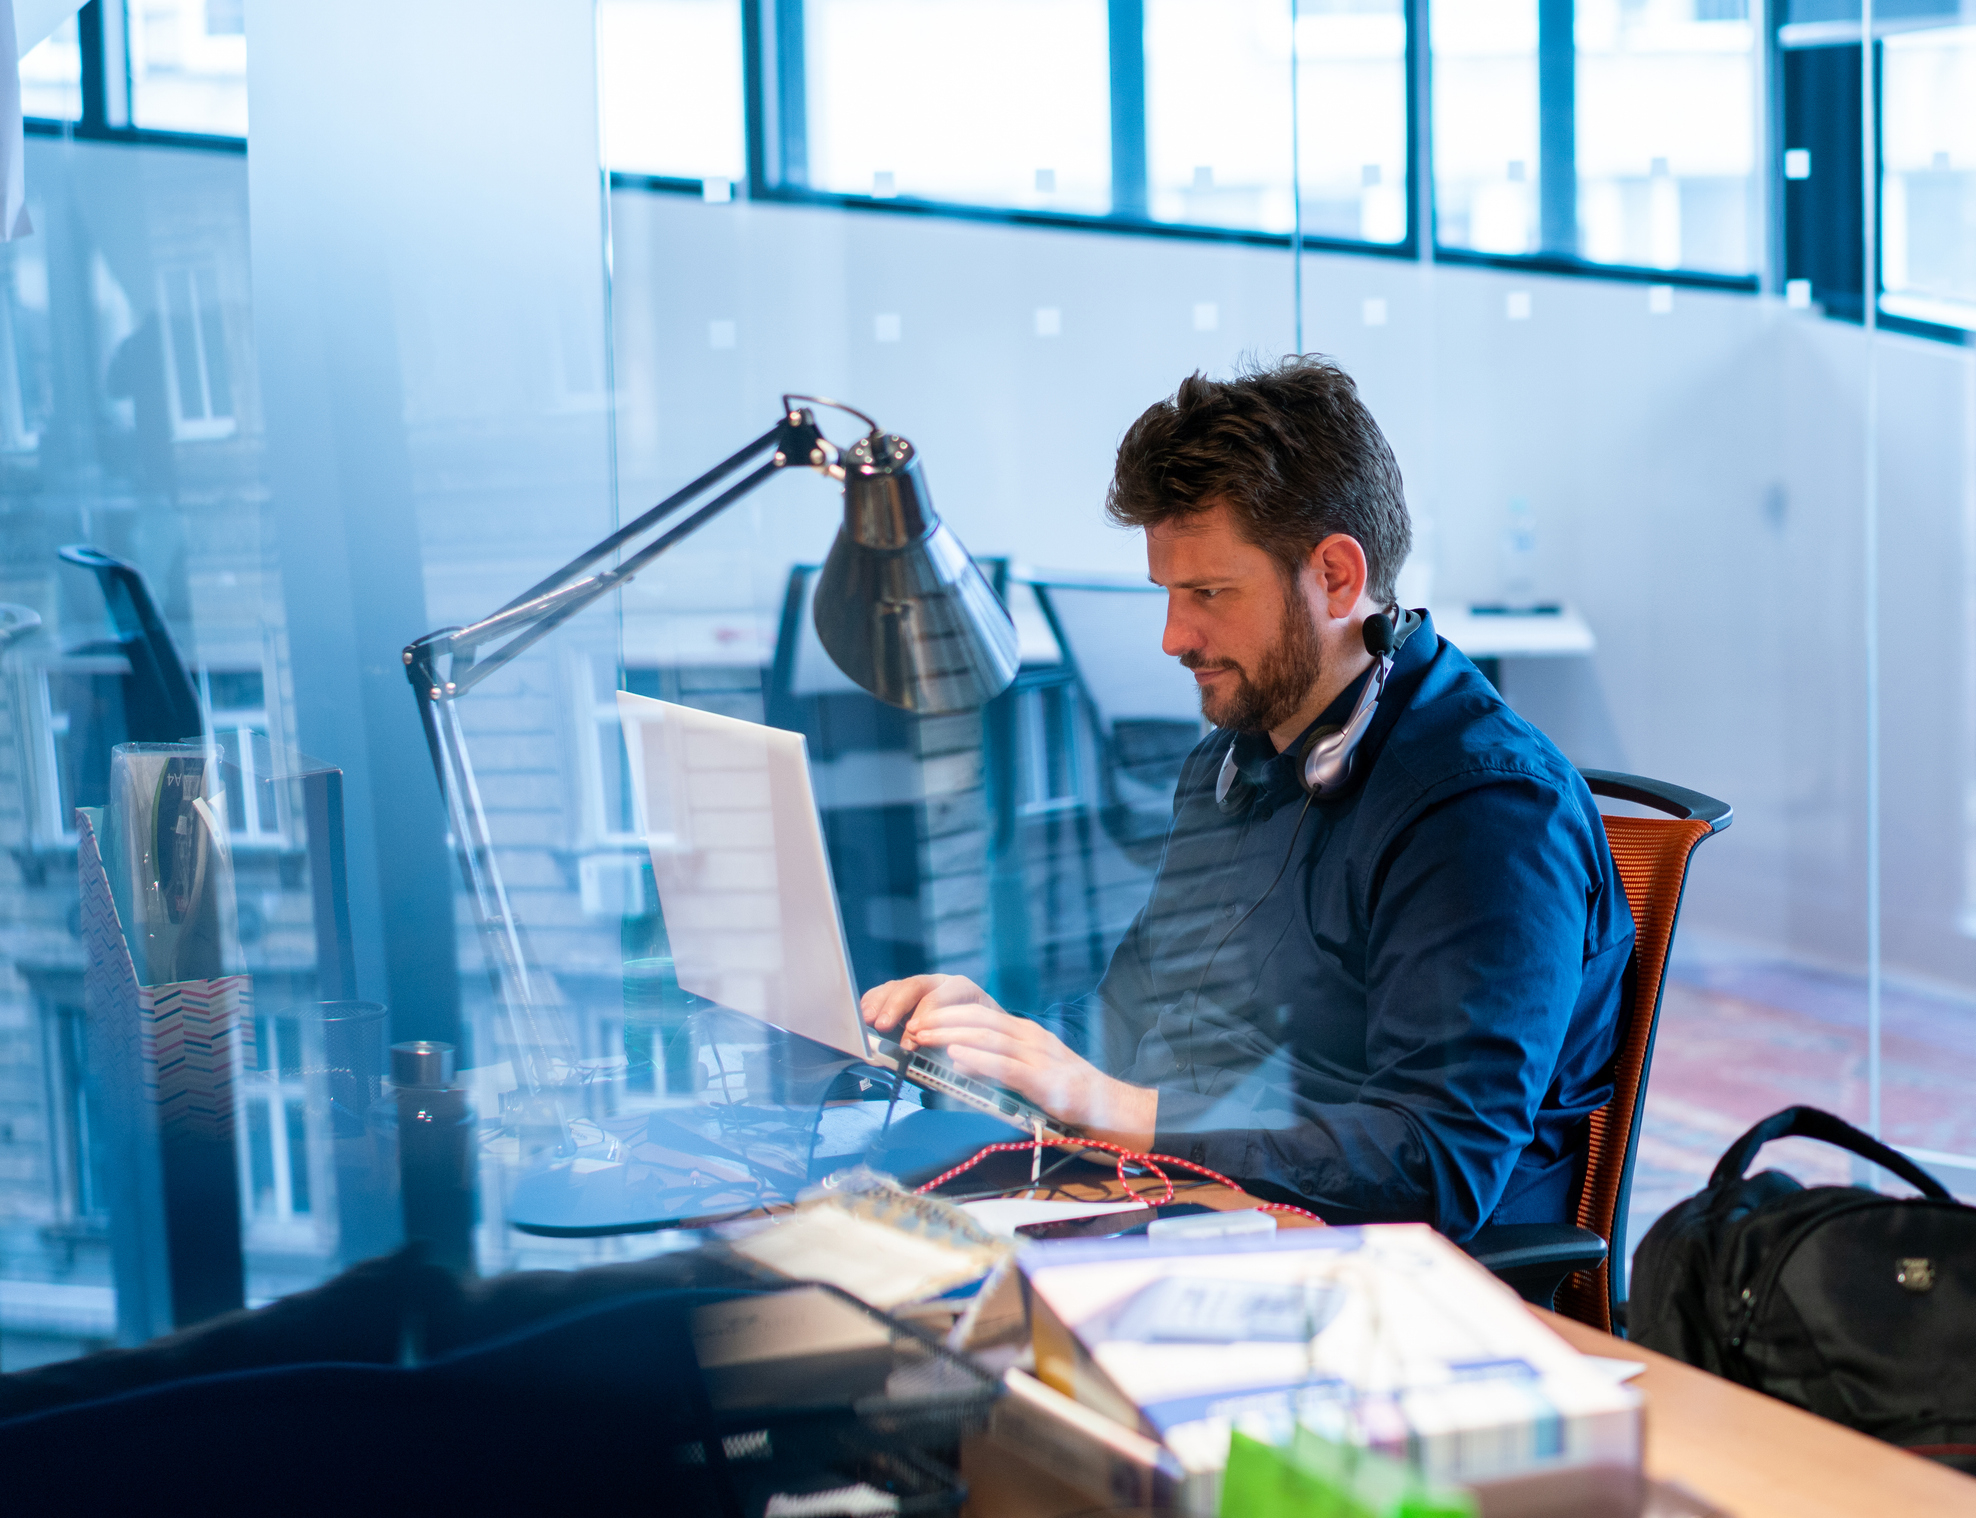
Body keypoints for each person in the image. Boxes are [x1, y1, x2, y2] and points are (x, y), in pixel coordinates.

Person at [861, 356, 1635, 1240]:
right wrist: (995, 1042)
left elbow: (1437, 1162)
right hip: (1193, 1217)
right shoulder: (1237, 762)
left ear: (1338, 578)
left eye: (1210, 594)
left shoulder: (1484, 811)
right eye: (1167, 594)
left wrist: (1118, 1111)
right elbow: (1130, 1021)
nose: (1172, 637)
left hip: (1379, 1288)